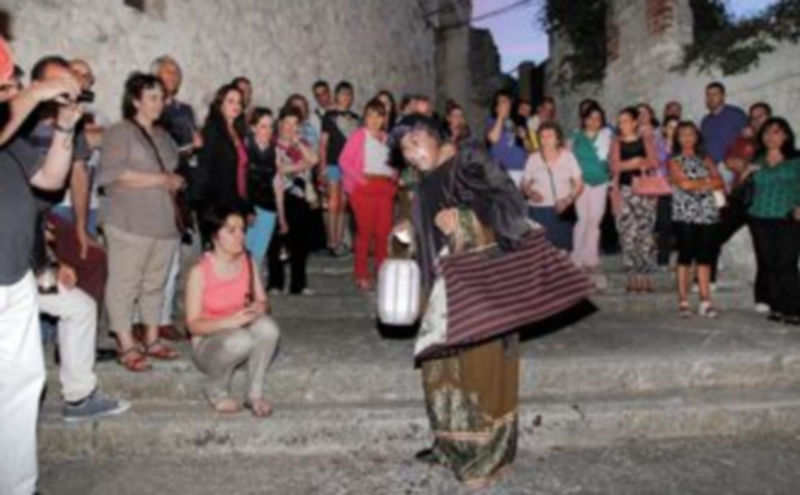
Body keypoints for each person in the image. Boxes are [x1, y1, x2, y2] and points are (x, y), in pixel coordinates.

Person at [391, 116, 590, 487]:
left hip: (484, 288)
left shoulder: (470, 160)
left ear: (437, 138)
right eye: (404, 150)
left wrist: (466, 223)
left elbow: (511, 206)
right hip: (441, 287)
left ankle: (487, 457)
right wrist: (409, 230)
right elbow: (426, 225)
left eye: (416, 143)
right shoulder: (423, 177)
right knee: (441, 371)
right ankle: (450, 445)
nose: (412, 155)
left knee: (481, 371)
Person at [0, 35, 83, 495]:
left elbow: (51, 179)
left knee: (22, 386)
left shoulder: (10, 137)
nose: (11, 90)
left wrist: (66, 128)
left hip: (13, 278)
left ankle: (17, 486)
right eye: (6, 84)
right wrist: (33, 93)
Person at [98, 72, 183, 372]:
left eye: (162, 97)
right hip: (129, 221)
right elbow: (111, 175)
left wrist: (175, 181)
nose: (159, 103)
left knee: (154, 285)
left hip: (163, 222)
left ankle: (151, 337)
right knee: (125, 283)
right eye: (152, 97)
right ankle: (126, 343)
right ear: (135, 100)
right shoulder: (120, 132)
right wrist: (161, 179)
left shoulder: (162, 135)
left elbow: (174, 168)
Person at [185, 206, 280, 415]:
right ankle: (216, 391)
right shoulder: (200, 272)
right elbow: (192, 324)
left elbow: (264, 302)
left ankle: (254, 395)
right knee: (240, 339)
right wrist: (229, 321)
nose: (241, 236)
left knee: (268, 328)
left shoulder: (248, 261)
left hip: (241, 329)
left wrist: (259, 307)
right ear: (215, 235)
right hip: (209, 343)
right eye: (231, 230)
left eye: (242, 229)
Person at [38, 223, 130, 420]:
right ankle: (78, 398)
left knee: (79, 307)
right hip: (13, 271)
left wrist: (55, 264)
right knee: (79, 308)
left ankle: (79, 398)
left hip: (20, 267)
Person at [339, 98, 398, 290]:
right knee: (365, 233)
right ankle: (361, 273)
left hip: (384, 188)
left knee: (383, 233)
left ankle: (382, 271)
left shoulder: (389, 138)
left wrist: (393, 182)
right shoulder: (359, 136)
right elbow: (344, 161)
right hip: (364, 188)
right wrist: (361, 180)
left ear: (383, 118)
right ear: (364, 117)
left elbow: (395, 164)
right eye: (369, 115)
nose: (373, 119)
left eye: (378, 115)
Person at [747, 117, 800, 324]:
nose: (771, 136)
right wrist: (746, 172)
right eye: (767, 132)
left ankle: (794, 308)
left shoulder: (796, 159)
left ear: (785, 135)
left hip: (788, 216)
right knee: (768, 263)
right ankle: (777, 306)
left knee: (787, 263)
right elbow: (744, 188)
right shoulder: (757, 159)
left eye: (776, 132)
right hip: (759, 216)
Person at [669, 122, 724, 318]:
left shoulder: (706, 159)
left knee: (705, 259)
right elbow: (683, 184)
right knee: (685, 258)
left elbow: (720, 182)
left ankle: (705, 300)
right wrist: (707, 183)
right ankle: (683, 300)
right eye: (682, 134)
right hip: (685, 213)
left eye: (691, 134)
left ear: (697, 137)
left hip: (708, 213)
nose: (687, 137)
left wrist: (697, 184)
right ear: (677, 138)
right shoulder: (674, 160)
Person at [268, 105, 319, 295]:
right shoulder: (272, 144)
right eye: (287, 123)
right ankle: (275, 283)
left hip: (299, 197)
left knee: (300, 243)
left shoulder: (302, 143)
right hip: (278, 196)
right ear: (280, 124)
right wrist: (301, 164)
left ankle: (299, 284)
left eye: (294, 124)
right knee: (277, 242)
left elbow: (313, 159)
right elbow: (278, 168)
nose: (290, 128)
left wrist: (298, 145)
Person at [610, 107, 659, 292]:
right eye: (619, 121)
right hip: (624, 191)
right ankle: (632, 274)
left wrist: (641, 162)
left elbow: (654, 162)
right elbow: (614, 166)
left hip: (644, 191)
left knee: (645, 233)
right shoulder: (616, 143)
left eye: (625, 121)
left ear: (634, 122)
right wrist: (633, 163)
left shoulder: (645, 139)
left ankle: (645, 275)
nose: (622, 125)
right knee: (627, 233)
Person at [522, 121, 583, 251]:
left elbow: (579, 184)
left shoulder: (568, 157)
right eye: (542, 137)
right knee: (540, 250)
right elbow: (525, 183)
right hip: (539, 211)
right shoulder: (533, 158)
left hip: (562, 208)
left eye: (550, 136)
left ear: (558, 138)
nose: (546, 140)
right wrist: (531, 193)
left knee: (562, 249)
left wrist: (568, 200)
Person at [570, 102, 612, 276]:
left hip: (600, 182)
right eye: (591, 118)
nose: (595, 121)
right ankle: (576, 257)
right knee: (582, 219)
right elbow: (569, 160)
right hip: (581, 183)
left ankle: (591, 258)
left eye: (598, 118)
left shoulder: (607, 137)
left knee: (595, 221)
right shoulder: (576, 137)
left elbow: (610, 161)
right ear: (585, 120)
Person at [199, 83, 248, 226]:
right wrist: (210, 208)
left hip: (237, 200)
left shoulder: (239, 132)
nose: (236, 105)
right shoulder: (212, 130)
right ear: (220, 104)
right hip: (219, 204)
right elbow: (205, 168)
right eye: (231, 101)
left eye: (239, 102)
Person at [319, 81, 359, 256]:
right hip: (333, 163)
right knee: (333, 202)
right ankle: (331, 241)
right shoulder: (329, 116)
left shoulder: (356, 118)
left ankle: (341, 240)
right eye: (342, 93)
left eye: (349, 94)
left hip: (350, 167)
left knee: (343, 204)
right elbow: (323, 143)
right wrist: (322, 167)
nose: (346, 97)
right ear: (336, 96)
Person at [244, 107, 286, 273]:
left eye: (270, 126)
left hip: (268, 206)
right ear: (253, 127)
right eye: (263, 126)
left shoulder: (275, 150)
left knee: (259, 253)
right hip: (249, 206)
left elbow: (278, 185)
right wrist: (245, 208)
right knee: (244, 251)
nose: (268, 131)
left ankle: (254, 292)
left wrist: (282, 217)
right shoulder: (245, 147)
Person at [700, 81, 748, 190]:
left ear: (723, 96)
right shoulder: (705, 121)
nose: (711, 98)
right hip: (710, 168)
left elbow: (748, 139)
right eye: (708, 95)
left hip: (729, 166)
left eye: (715, 94)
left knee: (726, 201)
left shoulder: (736, 114)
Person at [486, 89, 528, 187]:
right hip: (501, 170)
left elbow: (526, 146)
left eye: (506, 101)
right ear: (496, 107)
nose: (504, 104)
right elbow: (493, 138)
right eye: (501, 101)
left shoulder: (518, 121)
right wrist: (500, 116)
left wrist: (524, 138)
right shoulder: (492, 121)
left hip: (519, 169)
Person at [655, 116, 680, 267]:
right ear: (664, 129)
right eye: (670, 126)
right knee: (664, 225)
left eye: (676, 127)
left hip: (681, 190)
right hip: (662, 189)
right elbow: (655, 166)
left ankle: (680, 259)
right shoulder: (658, 146)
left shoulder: (683, 147)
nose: (673, 130)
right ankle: (663, 259)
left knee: (680, 225)